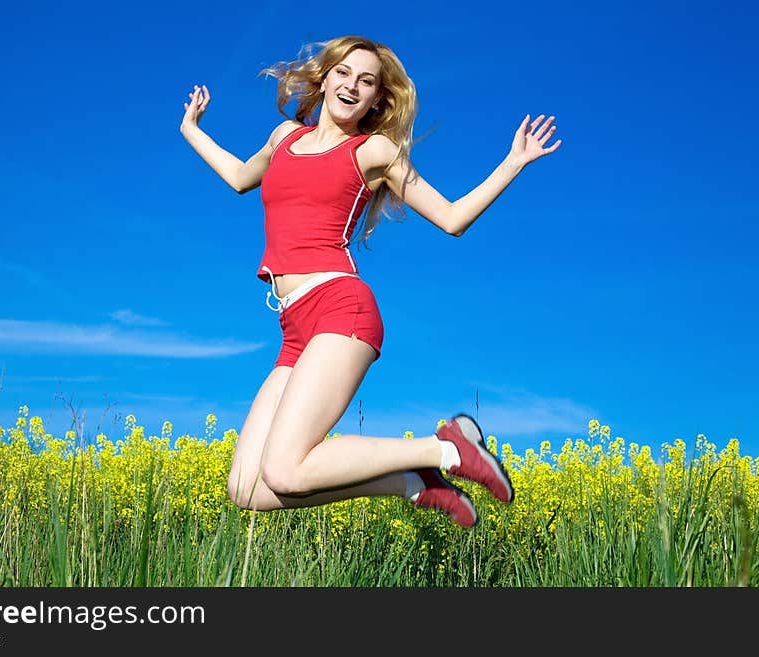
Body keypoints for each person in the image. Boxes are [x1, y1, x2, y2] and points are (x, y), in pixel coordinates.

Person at [180, 35, 560, 528]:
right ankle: (415, 482)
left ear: (377, 98)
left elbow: (450, 218)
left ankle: (446, 447)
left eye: (367, 81)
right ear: (325, 77)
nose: (351, 86)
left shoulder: (373, 151)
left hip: (340, 308)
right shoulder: (283, 139)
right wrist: (191, 129)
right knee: (250, 488)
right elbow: (237, 177)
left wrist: (513, 162)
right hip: (294, 327)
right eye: (343, 73)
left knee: (285, 469)